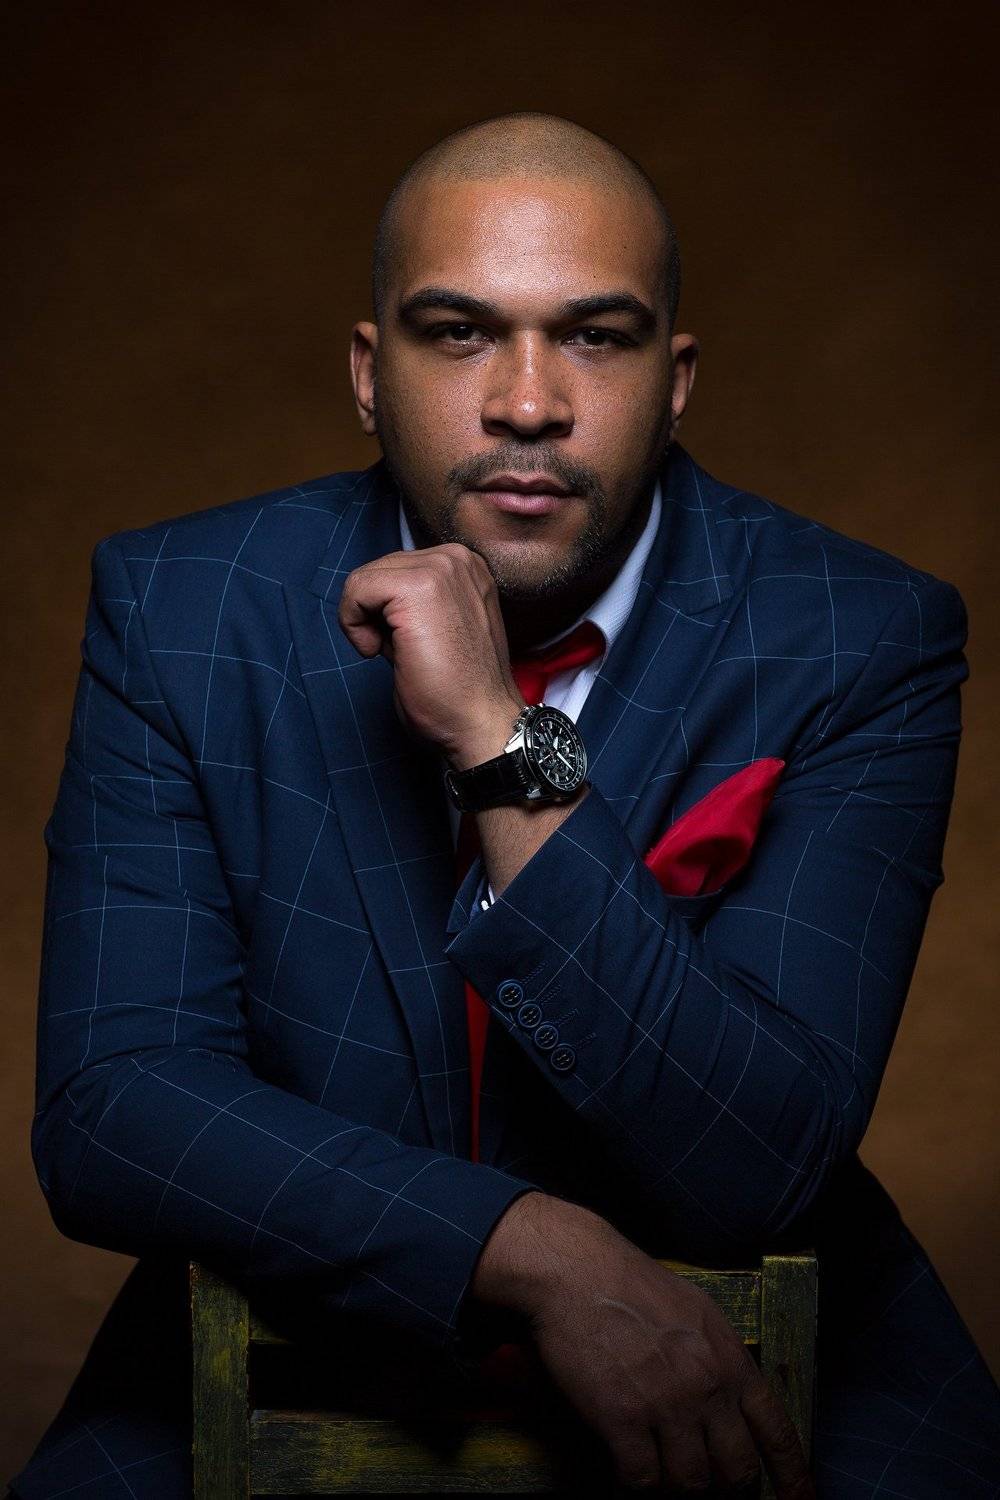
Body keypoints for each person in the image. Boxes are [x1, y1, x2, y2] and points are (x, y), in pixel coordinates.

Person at [9, 110, 1000, 1499]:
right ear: (371, 374)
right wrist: (530, 1250)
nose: (528, 404)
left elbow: (755, 1165)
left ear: (675, 379)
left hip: (770, 1365)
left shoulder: (860, 636)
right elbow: (114, 1110)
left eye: (595, 336)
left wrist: (497, 738)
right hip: (293, 1325)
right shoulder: (183, 608)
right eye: (459, 333)